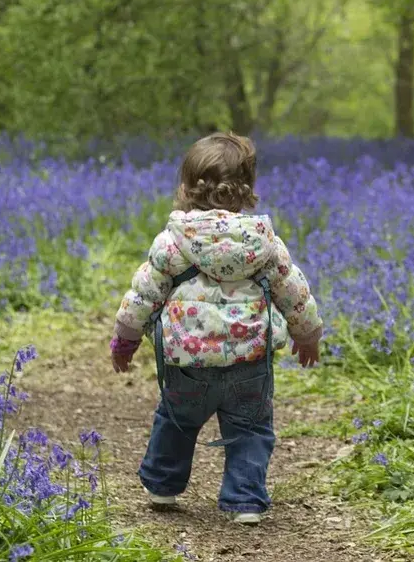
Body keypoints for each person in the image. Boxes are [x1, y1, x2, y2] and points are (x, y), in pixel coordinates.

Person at [109, 132, 323, 525]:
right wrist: (306, 335)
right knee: (251, 428)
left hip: (187, 362)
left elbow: (143, 293)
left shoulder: (173, 242)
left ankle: (162, 485)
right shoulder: (265, 244)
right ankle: (245, 501)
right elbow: (294, 291)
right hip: (249, 362)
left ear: (187, 187)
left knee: (176, 419)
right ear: (248, 189)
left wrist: (126, 338)